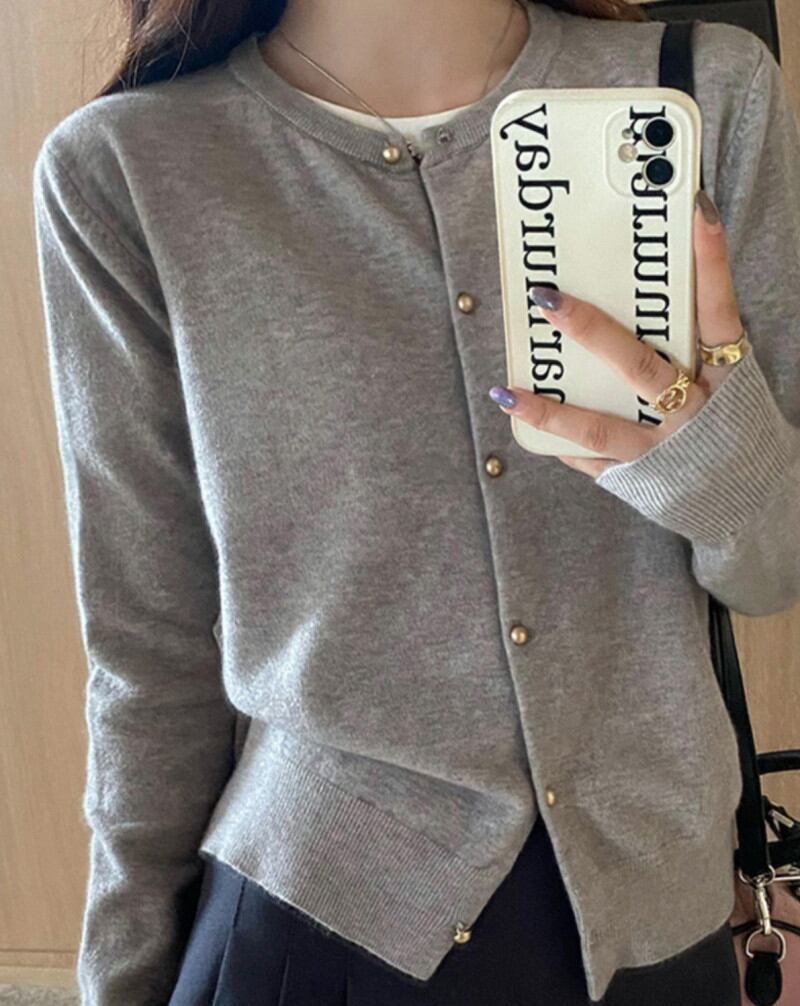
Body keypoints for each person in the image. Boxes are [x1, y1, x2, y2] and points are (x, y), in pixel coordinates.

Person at [31, 0, 800, 1003]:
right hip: (313, 923)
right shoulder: (129, 166)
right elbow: (148, 647)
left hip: (654, 911)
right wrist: (125, 974)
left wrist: (704, 449)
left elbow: (774, 568)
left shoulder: (702, 94)